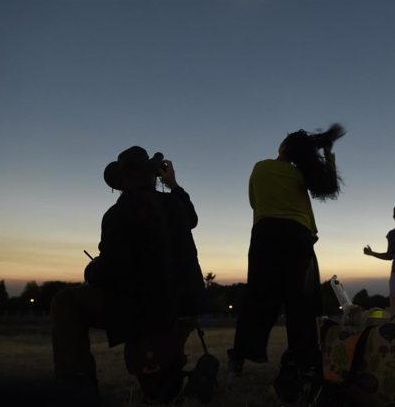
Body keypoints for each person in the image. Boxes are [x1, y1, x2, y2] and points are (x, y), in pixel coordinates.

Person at [51, 146, 205, 405]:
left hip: (146, 307)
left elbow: (111, 271)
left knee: (65, 302)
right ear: (154, 175)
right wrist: (174, 184)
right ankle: (166, 372)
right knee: (159, 379)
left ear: (122, 182)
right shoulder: (176, 204)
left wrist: (92, 269)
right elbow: (192, 218)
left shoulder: (119, 213)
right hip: (187, 303)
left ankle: (78, 389)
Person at [228, 123, 345, 404]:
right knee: (300, 303)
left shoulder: (261, 167)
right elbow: (328, 184)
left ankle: (241, 354)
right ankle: (303, 361)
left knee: (258, 298)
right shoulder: (302, 174)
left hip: (266, 235)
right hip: (298, 238)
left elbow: (253, 201)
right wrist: (328, 154)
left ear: (283, 148)